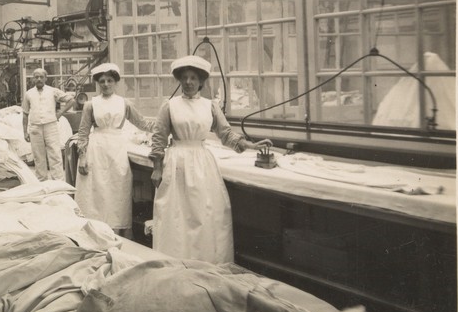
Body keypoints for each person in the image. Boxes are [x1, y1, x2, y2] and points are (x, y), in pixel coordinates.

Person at [149, 55, 272, 264]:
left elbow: (226, 134)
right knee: (177, 215)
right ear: (179, 80)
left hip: (202, 164)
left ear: (201, 82)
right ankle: (176, 263)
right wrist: (157, 168)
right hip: (177, 163)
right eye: (185, 78)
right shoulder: (169, 106)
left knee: (204, 213)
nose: (188, 82)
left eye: (193, 78)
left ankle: (205, 262)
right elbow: (158, 139)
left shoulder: (210, 106)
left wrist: (249, 145)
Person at [74, 63, 153, 238]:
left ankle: (116, 232)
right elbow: (83, 132)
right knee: (95, 193)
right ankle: (96, 233)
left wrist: (165, 123)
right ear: (97, 83)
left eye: (110, 80)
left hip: (117, 150)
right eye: (102, 81)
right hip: (97, 149)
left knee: (117, 192)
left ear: (115, 82)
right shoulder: (90, 104)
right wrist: (82, 157)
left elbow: (142, 123)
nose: (106, 84)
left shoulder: (124, 103)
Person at [22, 68, 76, 181]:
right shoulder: (28, 94)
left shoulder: (53, 91)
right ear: (33, 79)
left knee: (55, 155)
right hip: (35, 127)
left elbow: (71, 100)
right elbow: (25, 114)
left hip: (50, 126)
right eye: (36, 77)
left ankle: (58, 183)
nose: (39, 79)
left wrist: (60, 113)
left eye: (41, 77)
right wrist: (25, 132)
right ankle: (42, 182)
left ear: (46, 78)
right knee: (38, 156)